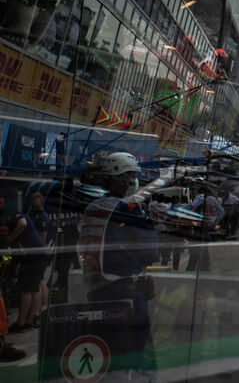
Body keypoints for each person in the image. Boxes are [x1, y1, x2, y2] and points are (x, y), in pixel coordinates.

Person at [77, 152, 159, 369]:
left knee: (104, 356)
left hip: (96, 292)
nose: (133, 181)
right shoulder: (127, 209)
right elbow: (151, 251)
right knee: (137, 359)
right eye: (130, 176)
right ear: (119, 178)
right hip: (125, 294)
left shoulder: (92, 208)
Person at [4, 204, 48, 333]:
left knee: (26, 289)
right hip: (37, 255)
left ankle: (22, 322)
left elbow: (22, 224)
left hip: (33, 256)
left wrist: (10, 238)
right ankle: (33, 318)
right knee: (36, 285)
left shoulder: (14, 216)